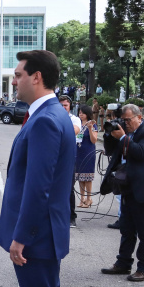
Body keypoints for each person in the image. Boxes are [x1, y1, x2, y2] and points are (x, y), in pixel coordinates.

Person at [0, 50, 75, 287]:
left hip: (37, 237)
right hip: (45, 233)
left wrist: (21, 236)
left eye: (18, 74)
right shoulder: (51, 113)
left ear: (37, 77)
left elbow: (39, 186)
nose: (14, 80)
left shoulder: (45, 119)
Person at [101, 104, 144, 282]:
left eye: (128, 120)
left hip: (143, 188)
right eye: (123, 120)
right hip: (126, 186)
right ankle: (123, 263)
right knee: (126, 229)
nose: (126, 123)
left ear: (139, 117)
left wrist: (124, 137)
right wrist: (110, 135)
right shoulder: (123, 131)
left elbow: (141, 153)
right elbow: (111, 151)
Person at [59, 95, 82, 228]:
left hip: (68, 157)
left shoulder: (74, 119)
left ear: (70, 107)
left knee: (69, 188)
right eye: (61, 105)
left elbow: (75, 131)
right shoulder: (54, 117)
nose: (63, 108)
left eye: (65, 105)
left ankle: (71, 217)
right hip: (55, 156)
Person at [75, 105, 99, 208]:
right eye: (79, 112)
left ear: (87, 114)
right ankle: (82, 198)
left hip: (88, 152)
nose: (81, 114)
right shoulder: (77, 124)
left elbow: (94, 140)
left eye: (83, 113)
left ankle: (89, 199)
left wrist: (90, 129)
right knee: (80, 177)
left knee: (87, 177)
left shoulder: (93, 124)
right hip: (78, 152)